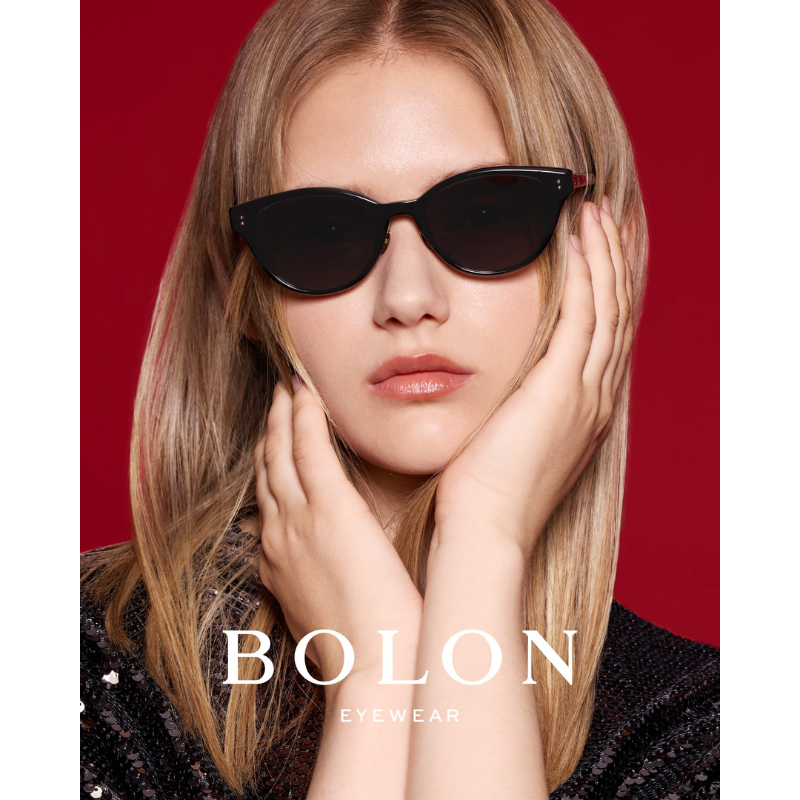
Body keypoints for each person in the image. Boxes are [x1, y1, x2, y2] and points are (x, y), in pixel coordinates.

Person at [80, 0, 720, 798]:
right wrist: (377, 677)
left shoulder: (708, 734)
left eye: (484, 214)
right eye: (324, 232)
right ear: (241, 286)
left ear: (600, 249)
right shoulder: (79, 679)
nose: (408, 298)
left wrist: (482, 540)